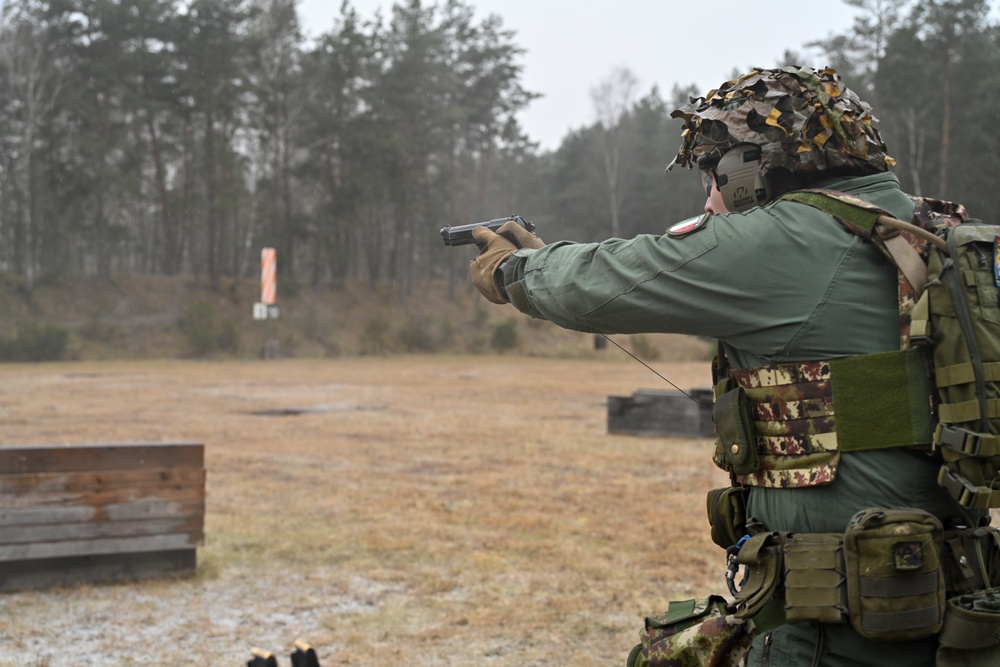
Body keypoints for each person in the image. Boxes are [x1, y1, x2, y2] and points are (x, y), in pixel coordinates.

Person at [465, 66, 999, 666]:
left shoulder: (793, 237)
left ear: (751, 168)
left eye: (714, 174)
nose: (708, 197)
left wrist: (516, 272)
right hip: (953, 607)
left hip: (836, 623)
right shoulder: (937, 233)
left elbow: (611, 280)